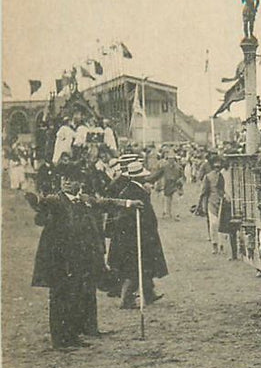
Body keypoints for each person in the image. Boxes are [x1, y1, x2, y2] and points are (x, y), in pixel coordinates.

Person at [29, 162, 141, 348]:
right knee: (61, 298)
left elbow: (105, 202)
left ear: (79, 183)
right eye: (64, 179)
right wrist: (36, 203)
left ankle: (73, 335)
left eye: (71, 179)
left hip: (80, 258)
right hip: (60, 260)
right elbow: (41, 212)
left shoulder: (84, 199)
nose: (66, 183)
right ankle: (61, 340)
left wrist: (129, 203)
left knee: (76, 296)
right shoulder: (55, 200)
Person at [106, 159, 167, 308]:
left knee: (144, 266)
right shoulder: (133, 191)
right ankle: (125, 299)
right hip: (135, 237)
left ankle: (149, 294)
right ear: (138, 177)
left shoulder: (135, 189)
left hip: (142, 234)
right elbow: (127, 217)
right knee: (134, 269)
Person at [198, 155, 228, 255]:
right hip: (212, 202)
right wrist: (201, 204)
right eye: (215, 167)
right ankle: (214, 244)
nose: (217, 169)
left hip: (223, 202)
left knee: (222, 224)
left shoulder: (225, 176)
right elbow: (203, 191)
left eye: (219, 167)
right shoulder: (208, 176)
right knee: (213, 224)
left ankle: (222, 245)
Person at [146, 149, 184, 219]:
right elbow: (157, 175)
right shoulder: (164, 167)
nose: (171, 160)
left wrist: (180, 182)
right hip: (167, 186)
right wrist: (148, 179)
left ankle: (176, 214)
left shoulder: (178, 168)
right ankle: (167, 213)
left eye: (172, 159)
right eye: (169, 159)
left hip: (176, 186)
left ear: (174, 159)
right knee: (167, 201)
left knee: (175, 200)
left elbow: (183, 177)